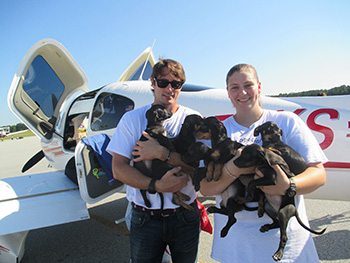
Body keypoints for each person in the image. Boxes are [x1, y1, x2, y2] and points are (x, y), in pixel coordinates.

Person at [200, 64, 327, 262]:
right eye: (234, 87)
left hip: (289, 250)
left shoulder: (286, 122)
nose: (242, 92)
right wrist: (234, 169)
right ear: (228, 92)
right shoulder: (219, 131)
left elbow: (319, 174)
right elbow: (205, 189)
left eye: (248, 85)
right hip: (236, 248)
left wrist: (288, 187)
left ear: (259, 87)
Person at [107, 59, 201, 263]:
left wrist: (162, 154)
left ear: (181, 86)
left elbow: (200, 171)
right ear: (152, 82)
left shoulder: (194, 119)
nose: (169, 88)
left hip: (185, 216)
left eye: (175, 84)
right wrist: (156, 185)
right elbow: (118, 169)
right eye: (163, 82)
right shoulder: (132, 120)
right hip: (145, 217)